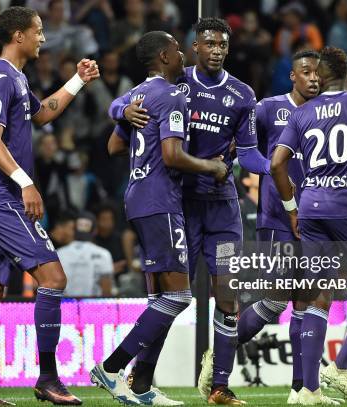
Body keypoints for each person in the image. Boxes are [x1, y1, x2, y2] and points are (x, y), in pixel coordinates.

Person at [110, 17, 271, 405]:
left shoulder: (242, 94)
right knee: (170, 299)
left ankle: (219, 386)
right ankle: (139, 380)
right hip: (180, 205)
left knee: (228, 295)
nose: (216, 49)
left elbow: (247, 154)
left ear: (227, 49)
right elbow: (122, 100)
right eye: (208, 43)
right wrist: (121, 111)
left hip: (222, 209)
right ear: (194, 47)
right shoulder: (174, 80)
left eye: (222, 44)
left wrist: (276, 168)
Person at [0, 6, 99, 405]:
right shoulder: (0, 76)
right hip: (1, 196)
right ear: (18, 35)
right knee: (53, 278)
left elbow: (41, 116)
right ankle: (48, 379)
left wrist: (77, 79)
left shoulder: (16, 78)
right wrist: (26, 183)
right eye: (38, 31)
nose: (43, 38)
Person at [90, 30, 227, 406]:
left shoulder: (140, 95)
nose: (183, 55)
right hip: (161, 200)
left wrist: (121, 112)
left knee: (161, 299)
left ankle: (141, 386)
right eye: (177, 50)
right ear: (164, 57)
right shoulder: (170, 96)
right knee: (179, 295)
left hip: (138, 198)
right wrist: (211, 166)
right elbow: (172, 155)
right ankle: (113, 366)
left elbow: (114, 144)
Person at [271, 46, 347, 405]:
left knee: (317, 295)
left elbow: (277, 164)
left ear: (320, 77)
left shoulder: (301, 112)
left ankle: (308, 391)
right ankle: (341, 368)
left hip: (309, 209)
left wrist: (291, 206)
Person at [237, 49, 320, 404]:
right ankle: (218, 354)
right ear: (293, 76)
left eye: (318, 73)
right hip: (277, 218)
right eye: (306, 72)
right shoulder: (269, 108)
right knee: (277, 298)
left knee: (306, 300)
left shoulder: (324, 113)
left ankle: (300, 389)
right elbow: (243, 146)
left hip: (315, 218)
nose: (313, 78)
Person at [56, 211, 114, 297]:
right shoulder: (103, 254)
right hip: (93, 308)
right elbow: (106, 292)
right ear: (95, 231)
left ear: (74, 229)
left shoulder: (58, 254)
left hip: (66, 307)